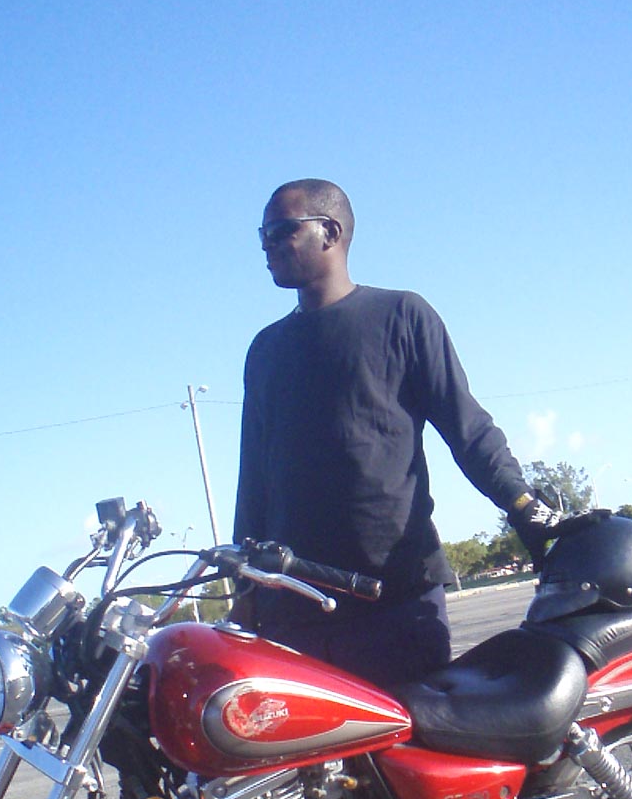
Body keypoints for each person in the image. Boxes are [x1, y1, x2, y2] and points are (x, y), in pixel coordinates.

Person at [233, 178, 556, 687]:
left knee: (412, 739)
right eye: (262, 235)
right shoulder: (265, 350)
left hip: (393, 603)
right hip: (292, 610)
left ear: (329, 232)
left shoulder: (402, 316)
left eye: (279, 232)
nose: (266, 247)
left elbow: (468, 429)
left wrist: (525, 507)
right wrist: (245, 587)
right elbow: (253, 477)